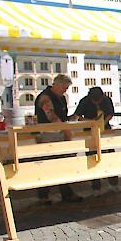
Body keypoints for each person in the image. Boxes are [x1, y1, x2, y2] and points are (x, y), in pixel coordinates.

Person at [34, 74, 82, 205]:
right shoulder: (45, 97)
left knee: (61, 165)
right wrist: (66, 129)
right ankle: (44, 195)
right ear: (57, 85)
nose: (66, 90)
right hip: (48, 135)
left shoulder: (61, 98)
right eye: (64, 87)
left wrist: (73, 118)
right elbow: (51, 116)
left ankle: (65, 193)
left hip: (59, 133)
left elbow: (62, 117)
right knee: (48, 165)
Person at [71, 86, 120, 194]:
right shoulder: (84, 101)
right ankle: (96, 188)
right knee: (92, 158)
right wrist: (91, 122)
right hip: (89, 131)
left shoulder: (107, 100)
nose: (97, 102)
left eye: (99, 100)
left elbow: (110, 113)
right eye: (95, 101)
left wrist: (103, 122)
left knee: (110, 157)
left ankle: (113, 184)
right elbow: (78, 116)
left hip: (105, 130)